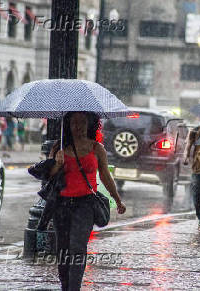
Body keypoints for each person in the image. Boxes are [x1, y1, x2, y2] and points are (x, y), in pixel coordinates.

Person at [49, 112, 126, 291]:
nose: (78, 126)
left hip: (85, 205)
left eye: (82, 122)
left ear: (89, 124)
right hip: (61, 205)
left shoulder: (96, 148)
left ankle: (74, 288)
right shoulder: (59, 147)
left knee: (77, 246)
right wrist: (57, 163)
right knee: (63, 249)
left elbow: (105, 176)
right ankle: (65, 286)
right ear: (67, 125)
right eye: (74, 122)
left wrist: (117, 200)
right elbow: (48, 178)